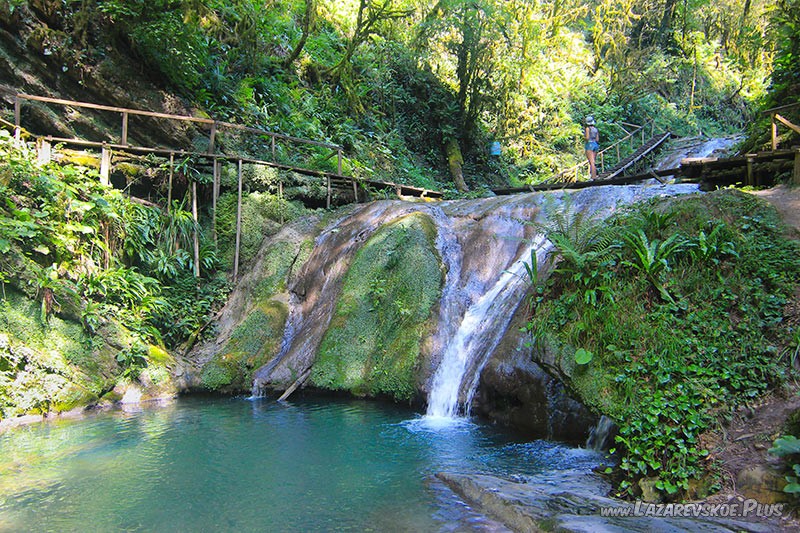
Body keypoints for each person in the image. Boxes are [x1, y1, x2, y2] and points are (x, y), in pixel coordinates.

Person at [584, 116, 600, 180]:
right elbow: (597, 139)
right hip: (595, 145)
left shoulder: (587, 129)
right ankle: (594, 175)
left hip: (589, 145)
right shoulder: (596, 129)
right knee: (593, 161)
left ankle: (593, 177)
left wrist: (583, 137)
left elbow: (587, 138)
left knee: (591, 162)